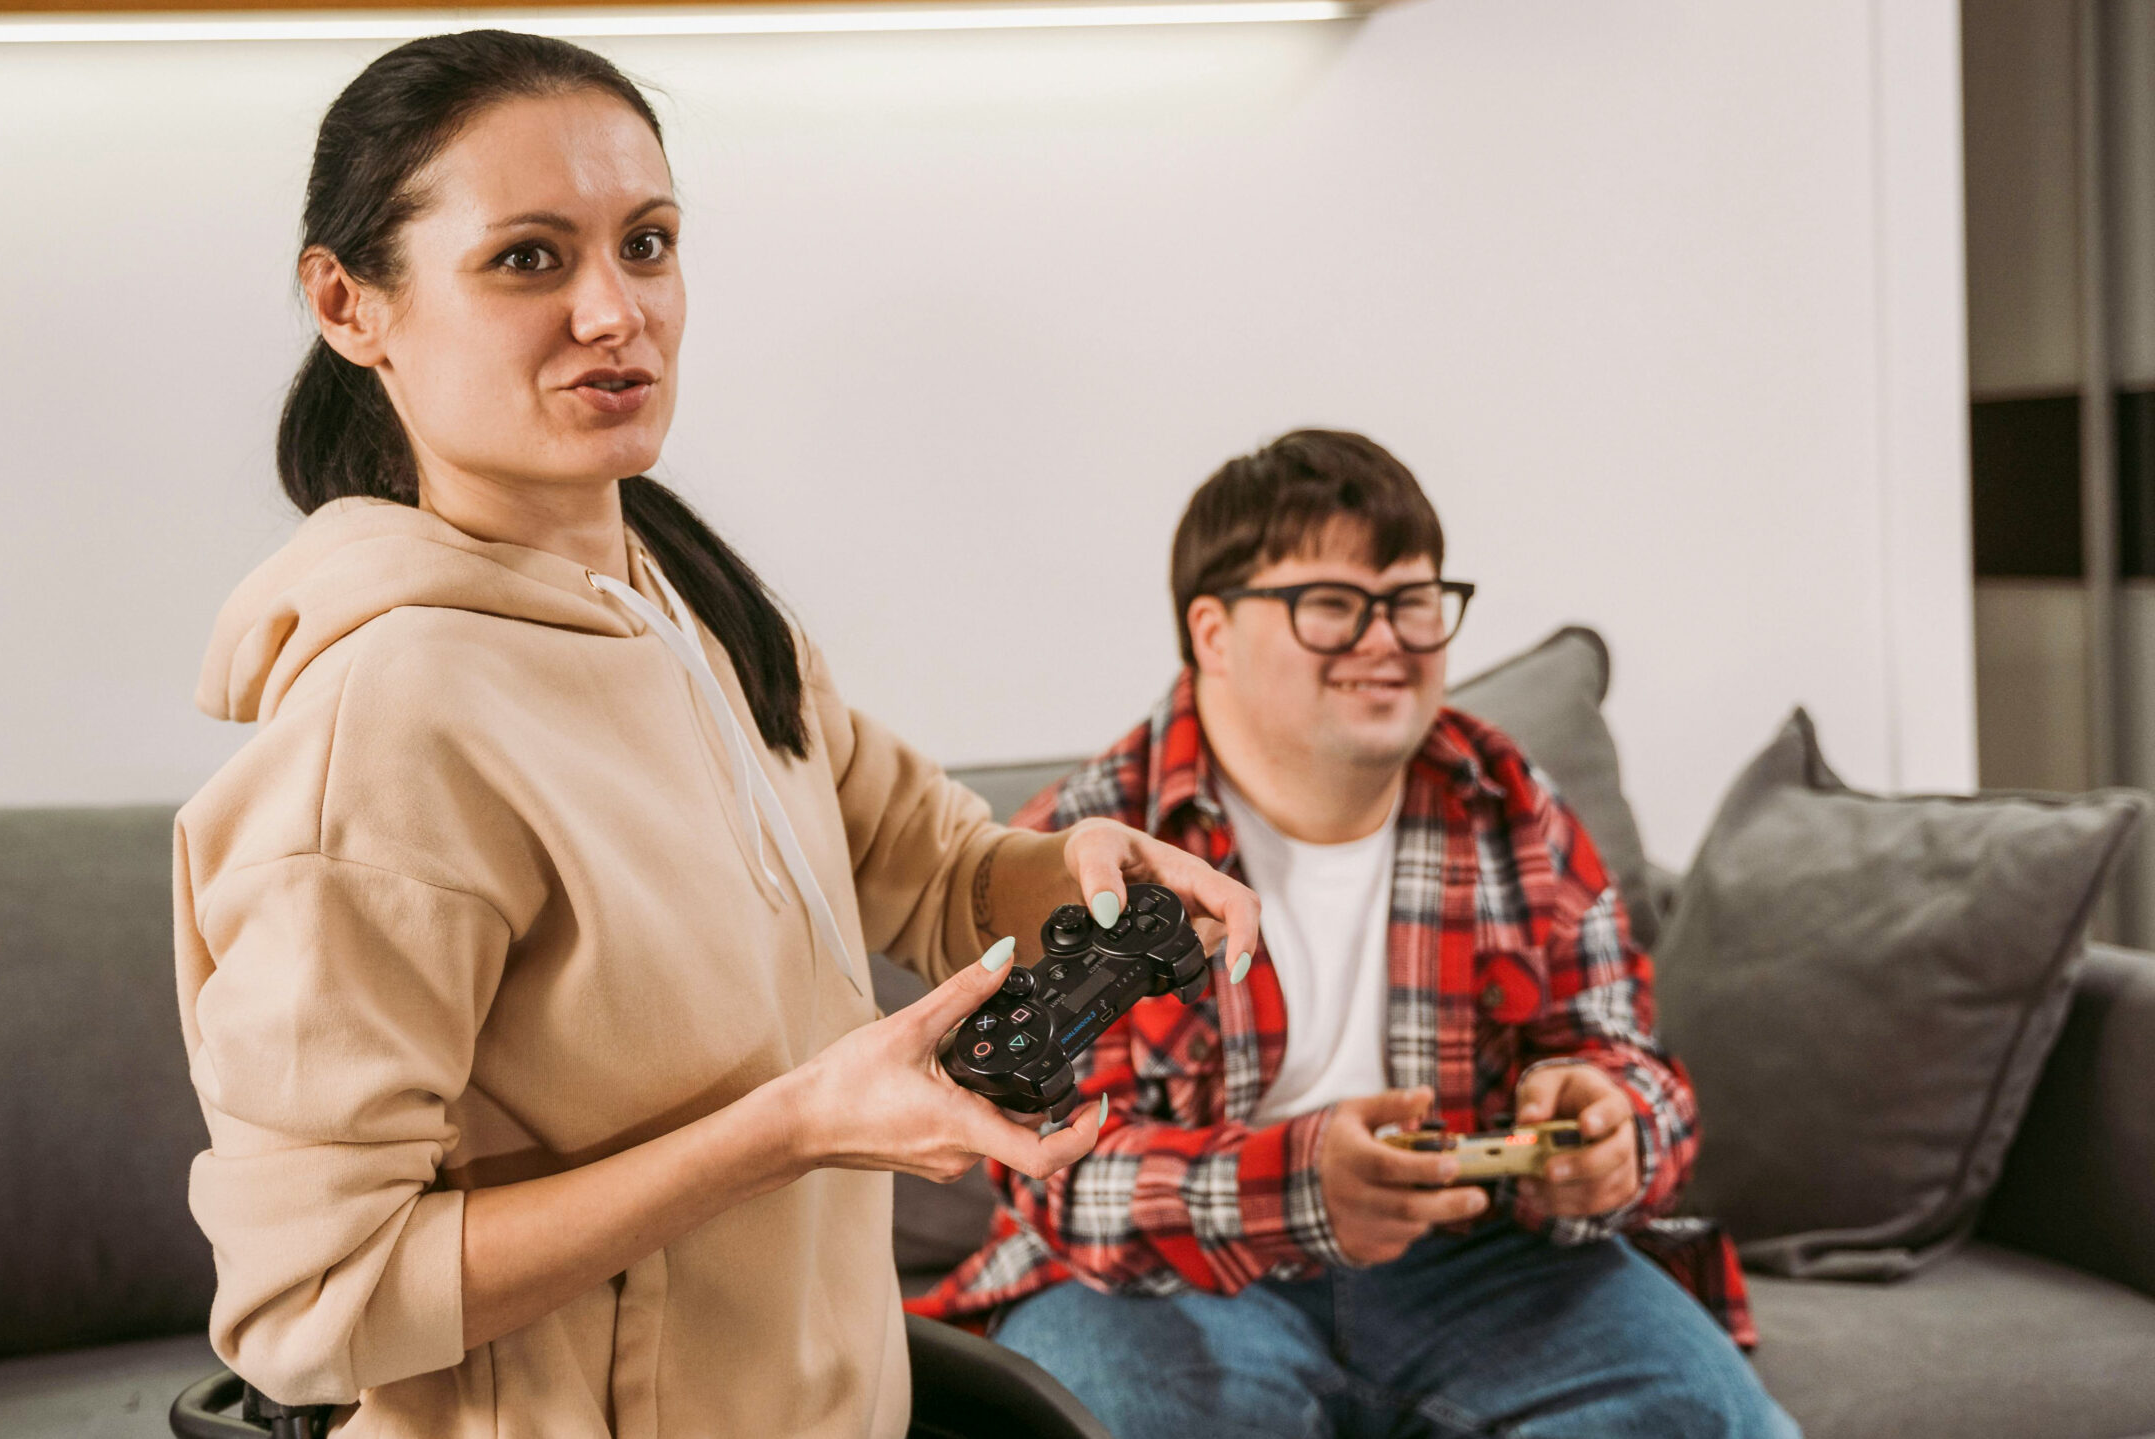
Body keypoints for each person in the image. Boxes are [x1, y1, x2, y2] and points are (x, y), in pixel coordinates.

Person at [169, 31, 1260, 1439]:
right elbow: (314, 1302)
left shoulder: (692, 600)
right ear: (348, 301)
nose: (616, 312)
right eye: (528, 259)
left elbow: (921, 864)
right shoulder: (386, 729)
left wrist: (1064, 873)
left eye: (649, 243)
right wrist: (791, 1127)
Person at [910, 430, 1796, 1437]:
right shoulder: (1077, 844)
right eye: (1332, 604)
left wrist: (1615, 1129)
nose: (1390, 640)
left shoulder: (1505, 799)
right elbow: (1049, 1174)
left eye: (1414, 600)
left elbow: (1622, 1052)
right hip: (1166, 1280)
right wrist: (1299, 1184)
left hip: (1481, 1250)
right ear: (1212, 631)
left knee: (1708, 1418)